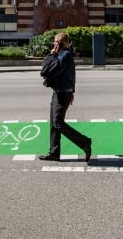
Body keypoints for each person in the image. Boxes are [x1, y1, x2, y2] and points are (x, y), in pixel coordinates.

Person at [38, 33, 92, 162]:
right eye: (54, 42)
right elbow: (69, 74)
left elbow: (45, 71)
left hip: (62, 93)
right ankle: (54, 153)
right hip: (59, 92)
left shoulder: (65, 55)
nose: (54, 44)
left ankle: (84, 142)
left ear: (63, 43)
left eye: (57, 42)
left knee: (58, 123)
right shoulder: (61, 55)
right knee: (54, 124)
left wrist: (52, 55)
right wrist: (72, 91)